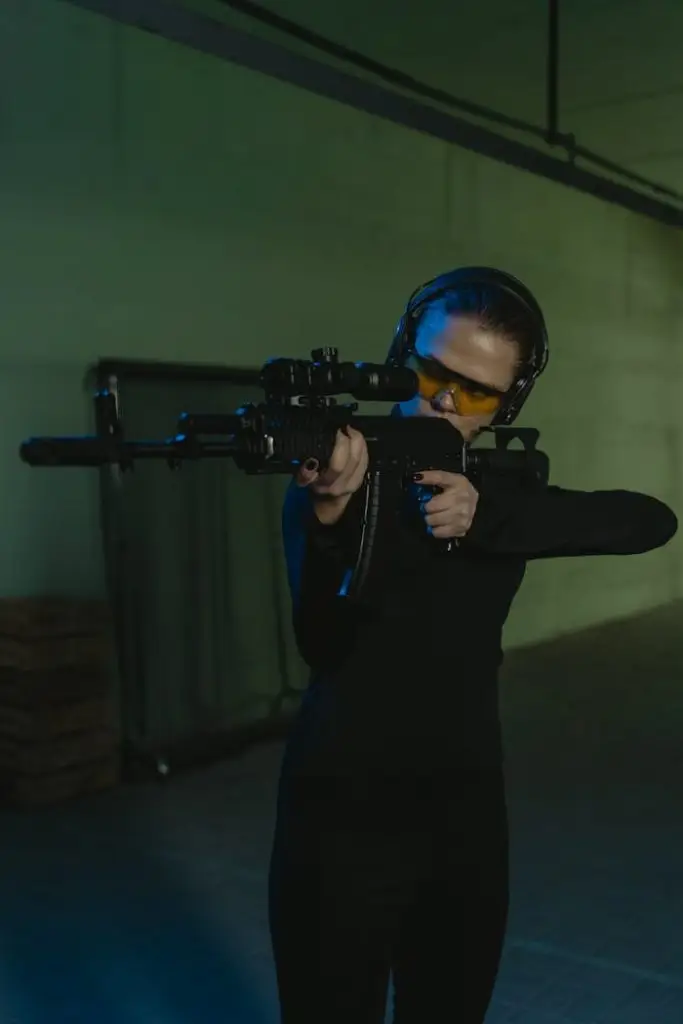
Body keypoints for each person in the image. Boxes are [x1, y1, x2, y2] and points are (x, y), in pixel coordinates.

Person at [267, 267, 678, 1024]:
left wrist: (484, 516)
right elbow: (321, 646)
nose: (446, 401)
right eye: (429, 372)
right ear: (400, 355)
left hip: (462, 811)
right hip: (340, 809)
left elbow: (647, 521)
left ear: (508, 402)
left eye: (479, 392)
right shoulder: (331, 474)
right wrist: (331, 515)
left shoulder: (499, 486)